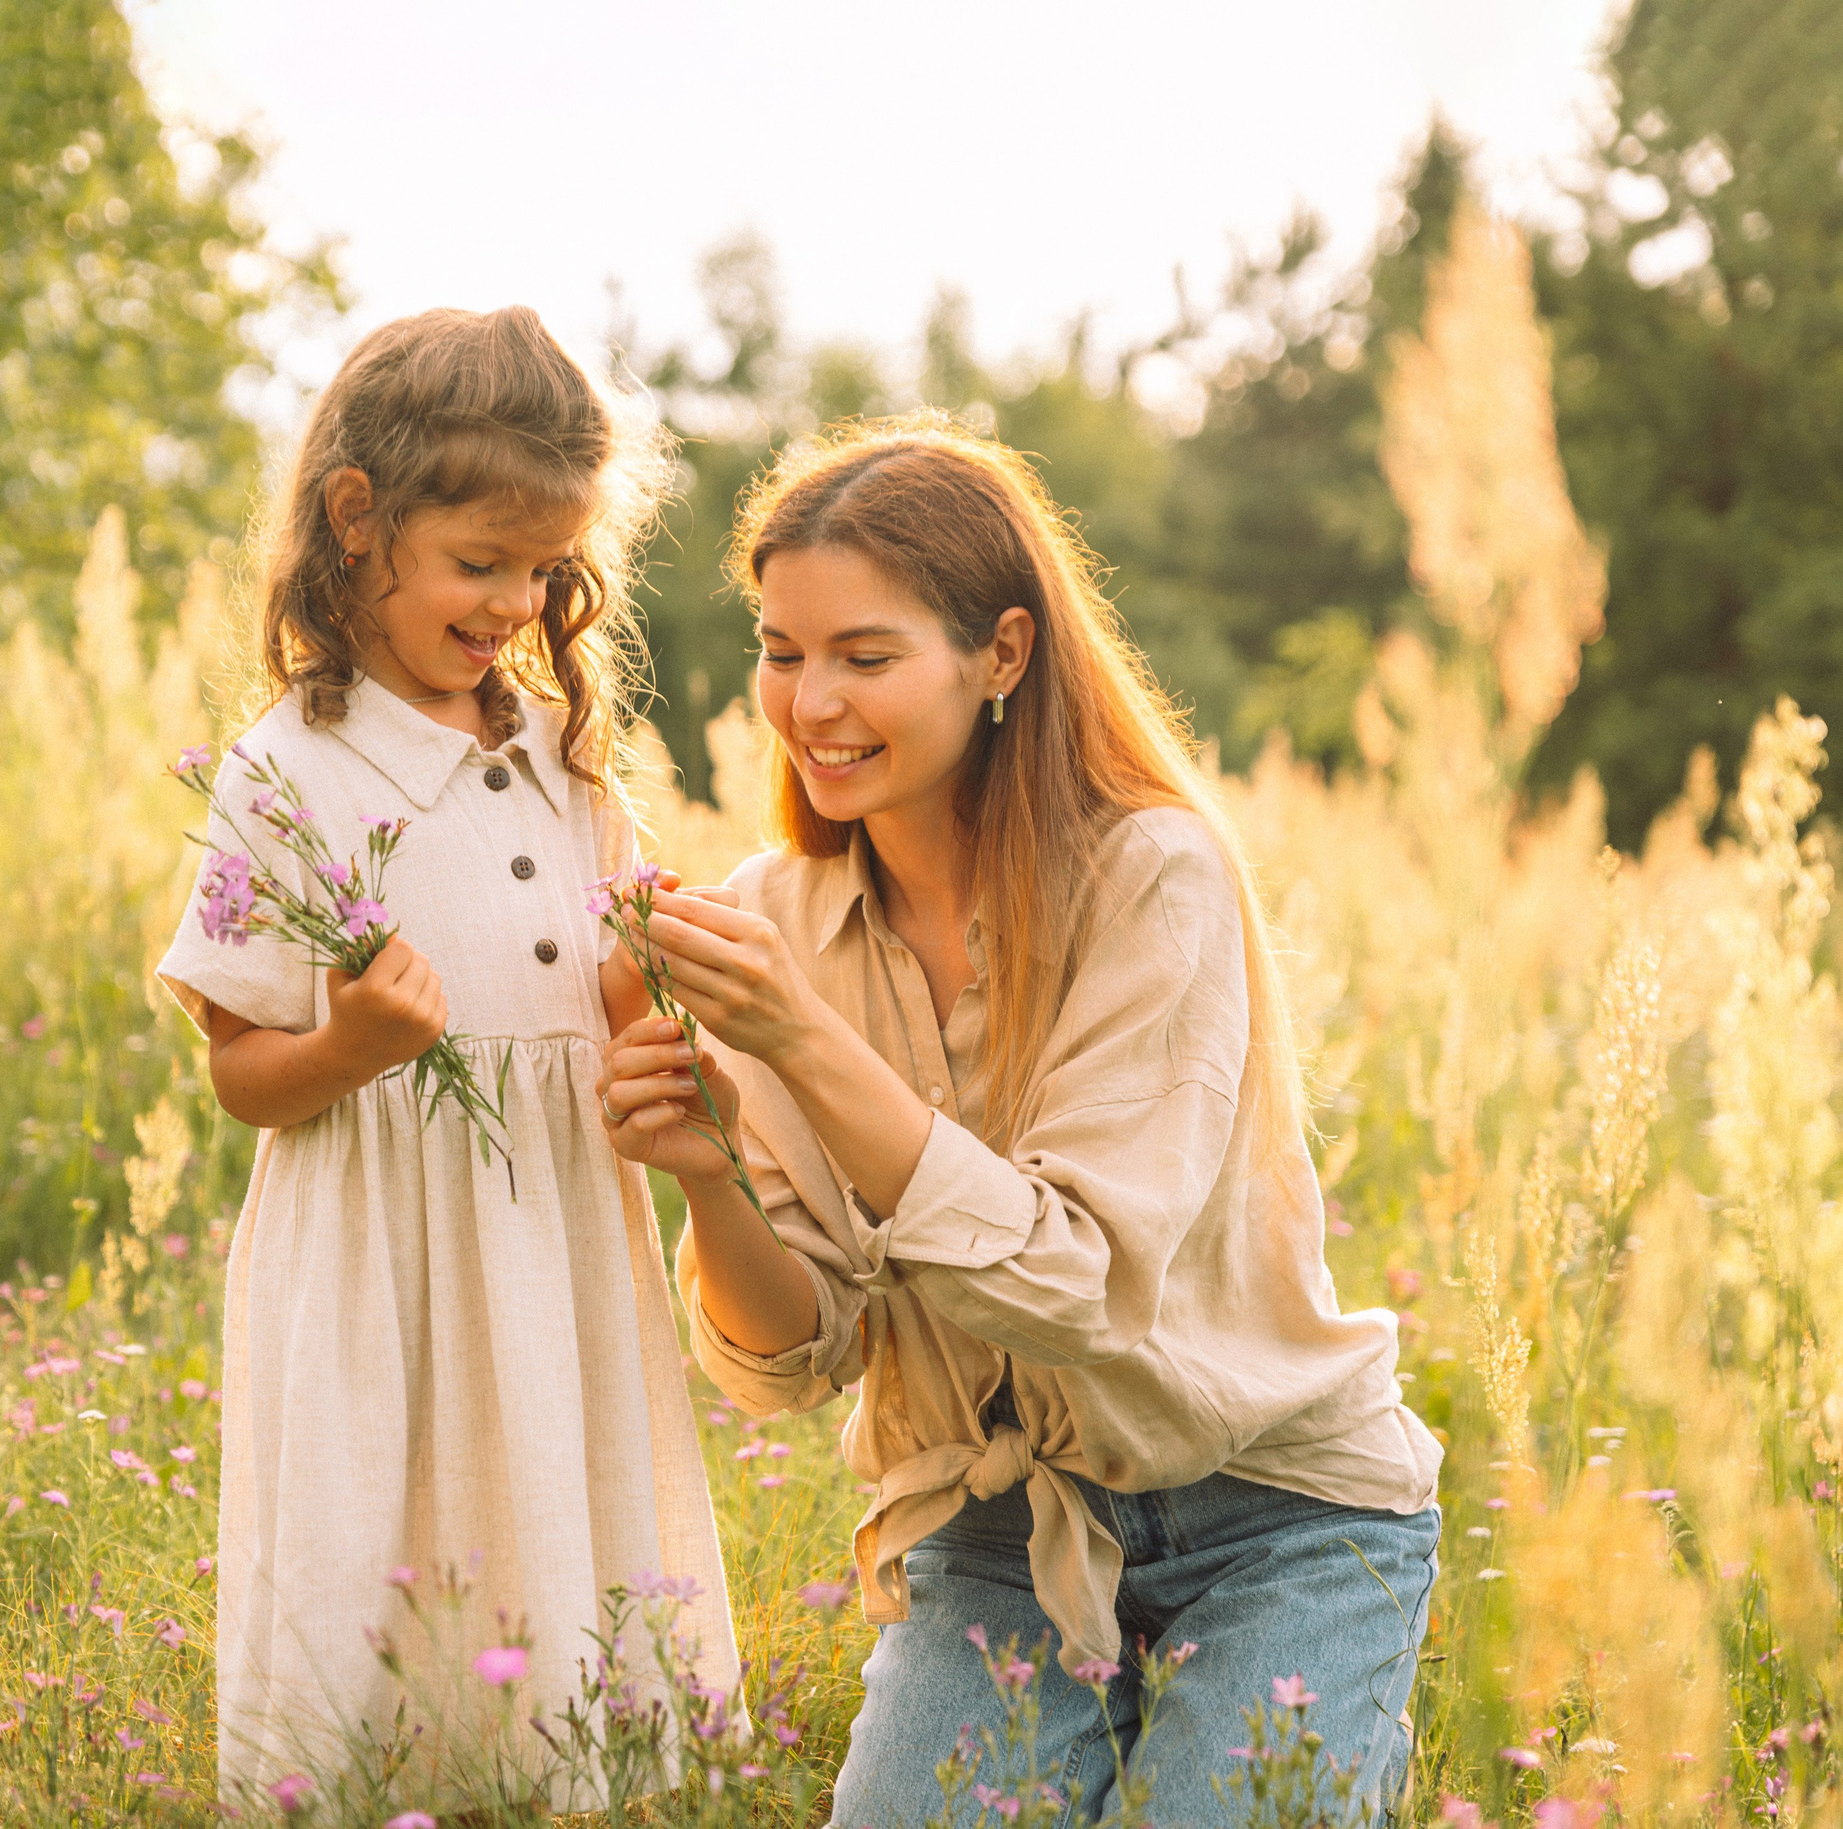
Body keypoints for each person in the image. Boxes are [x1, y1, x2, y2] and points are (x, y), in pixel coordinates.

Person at [596, 417, 1441, 1827]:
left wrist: (798, 1036)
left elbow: (1074, 1285)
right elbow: (797, 1359)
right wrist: (709, 1171)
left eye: (866, 656)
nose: (811, 703)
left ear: (1001, 654)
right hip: (996, 1536)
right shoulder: (767, 918)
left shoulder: (1149, 876)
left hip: (1277, 1516)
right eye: (782, 651)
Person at [156, 306, 736, 1804]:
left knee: (553, 1486)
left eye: (544, 570)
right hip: (378, 1252)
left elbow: (601, 998)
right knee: (385, 1517)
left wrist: (643, 983)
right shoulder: (283, 771)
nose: (517, 604)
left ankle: (560, 1768)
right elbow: (238, 1068)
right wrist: (351, 1044)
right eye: (482, 563)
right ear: (358, 517)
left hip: (558, 1233)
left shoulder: (561, 752)